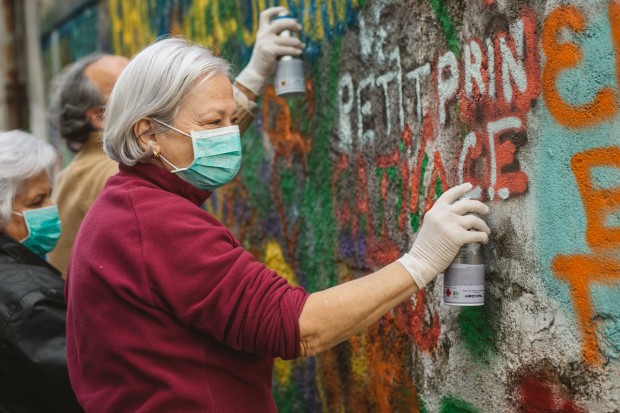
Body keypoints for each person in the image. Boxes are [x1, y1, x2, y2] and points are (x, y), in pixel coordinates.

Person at [64, 37, 491, 412]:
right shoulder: (154, 223)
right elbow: (301, 328)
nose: (229, 136)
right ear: (147, 134)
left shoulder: (126, 206)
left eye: (232, 120)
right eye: (213, 123)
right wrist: (420, 262)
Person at [48, 6, 304, 278]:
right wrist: (252, 76)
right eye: (124, 88)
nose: (142, 91)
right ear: (100, 117)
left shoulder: (95, 172)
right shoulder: (103, 178)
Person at [0, 130, 83, 412]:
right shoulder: (30, 300)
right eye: (37, 202)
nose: (50, 209)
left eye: (49, 196)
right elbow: (82, 389)